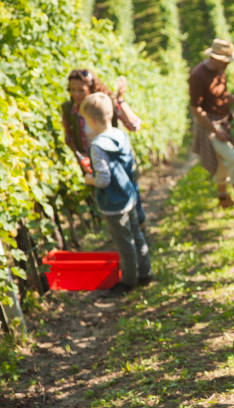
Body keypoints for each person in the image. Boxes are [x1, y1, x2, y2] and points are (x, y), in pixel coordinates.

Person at [80, 92, 152, 295]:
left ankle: (129, 281)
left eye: (85, 121)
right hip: (128, 195)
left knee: (124, 242)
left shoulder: (97, 146)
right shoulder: (121, 135)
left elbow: (103, 180)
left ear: (92, 121)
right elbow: (130, 165)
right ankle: (146, 273)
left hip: (113, 203)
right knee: (136, 235)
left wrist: (89, 179)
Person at [61, 68, 146, 224]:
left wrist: (120, 100)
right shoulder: (69, 110)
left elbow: (134, 125)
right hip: (95, 162)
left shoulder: (105, 103)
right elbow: (70, 139)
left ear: (91, 88)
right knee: (108, 202)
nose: (76, 94)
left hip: (117, 162)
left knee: (131, 199)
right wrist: (81, 159)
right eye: (72, 90)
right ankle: (124, 237)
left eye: (81, 90)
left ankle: (139, 232)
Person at [188, 38, 234, 217]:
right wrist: (215, 130)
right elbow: (195, 108)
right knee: (232, 159)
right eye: (226, 61)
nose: (228, 64)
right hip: (209, 126)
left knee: (221, 161)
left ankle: (223, 197)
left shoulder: (219, 70)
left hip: (224, 121)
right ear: (215, 58)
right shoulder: (197, 76)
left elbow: (221, 92)